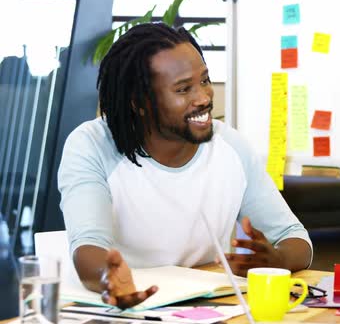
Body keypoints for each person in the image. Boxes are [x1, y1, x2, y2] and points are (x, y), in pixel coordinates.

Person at [57, 23, 313, 309]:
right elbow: (88, 245)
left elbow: (295, 239)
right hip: (120, 308)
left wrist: (278, 260)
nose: (203, 98)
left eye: (204, 81)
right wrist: (109, 277)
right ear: (139, 102)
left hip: (204, 310)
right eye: (183, 89)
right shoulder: (91, 144)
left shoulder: (230, 147)